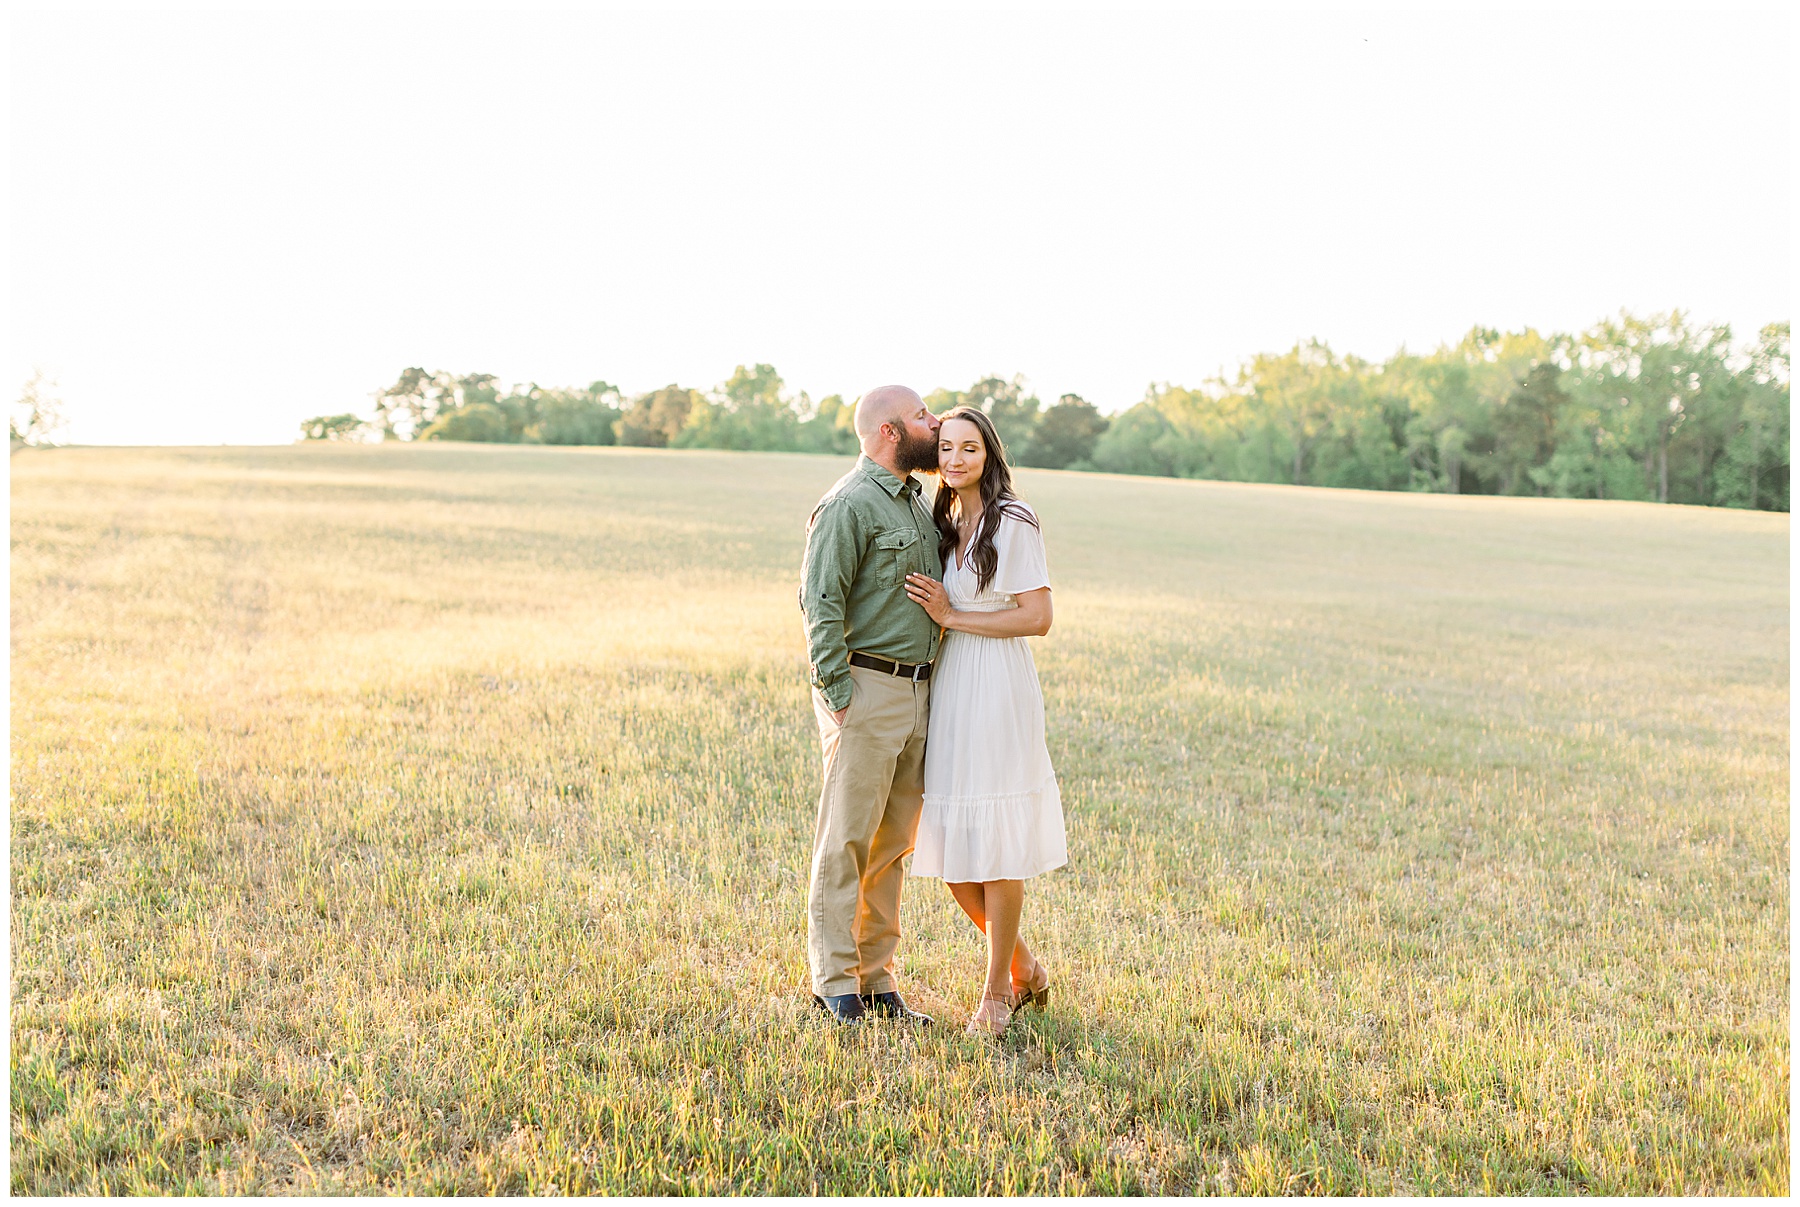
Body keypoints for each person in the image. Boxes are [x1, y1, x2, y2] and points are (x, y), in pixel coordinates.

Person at [904, 405, 1066, 1037]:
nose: (955, 459)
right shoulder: (945, 519)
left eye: (969, 448)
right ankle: (1026, 965)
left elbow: (1038, 616)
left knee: (995, 842)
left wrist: (953, 618)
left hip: (997, 684)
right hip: (953, 687)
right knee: (945, 845)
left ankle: (996, 992)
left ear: (989, 454)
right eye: (945, 448)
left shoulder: (1012, 519)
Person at [797, 384, 944, 1026]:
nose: (933, 423)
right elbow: (819, 603)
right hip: (867, 690)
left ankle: (877, 982)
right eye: (921, 415)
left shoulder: (915, 501)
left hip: (919, 691)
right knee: (847, 840)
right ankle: (834, 983)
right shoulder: (848, 505)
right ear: (890, 430)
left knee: (892, 846)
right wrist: (838, 696)